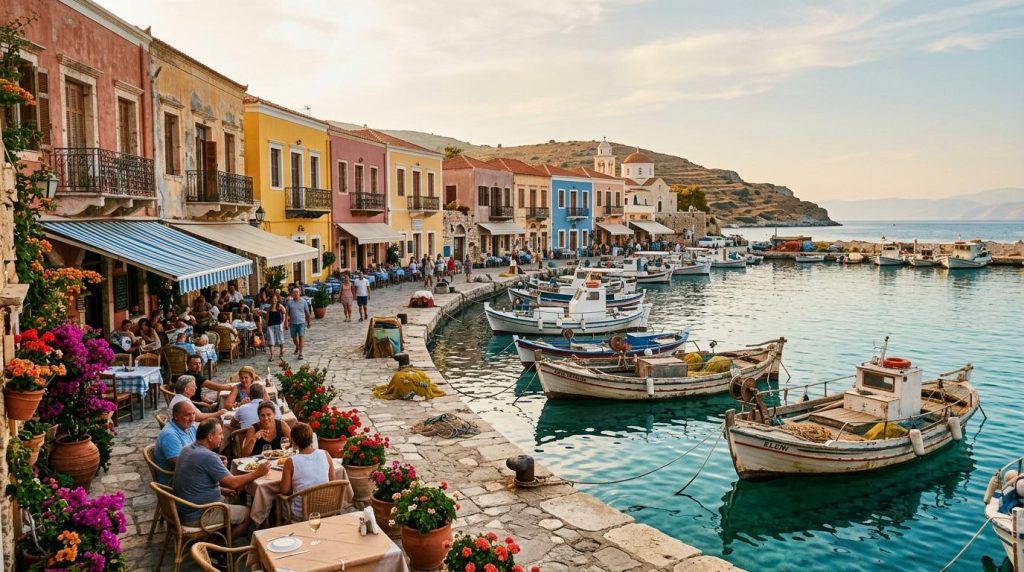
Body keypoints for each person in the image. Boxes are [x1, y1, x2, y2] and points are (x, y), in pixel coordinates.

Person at [173, 419, 269, 541]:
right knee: (248, 513)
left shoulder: (187, 449)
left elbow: (197, 481)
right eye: (220, 434)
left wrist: (222, 490)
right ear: (210, 437)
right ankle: (219, 548)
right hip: (200, 515)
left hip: (185, 510)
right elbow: (233, 483)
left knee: (235, 499)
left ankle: (220, 535)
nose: (223, 437)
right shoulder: (208, 457)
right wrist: (258, 473)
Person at [279, 422, 336, 520]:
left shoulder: (291, 462)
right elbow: (333, 481)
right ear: (311, 438)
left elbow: (285, 490)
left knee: (278, 500)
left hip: (303, 512)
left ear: (293, 441)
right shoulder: (325, 454)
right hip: (327, 508)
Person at [154, 400, 198, 481]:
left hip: (190, 473)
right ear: (176, 416)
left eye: (194, 414)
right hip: (175, 480)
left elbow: (202, 447)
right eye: (188, 415)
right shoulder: (169, 435)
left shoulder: (190, 426)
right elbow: (180, 465)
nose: (192, 418)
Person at [283, 287, 312, 360]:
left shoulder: (303, 302)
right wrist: (286, 323)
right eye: (294, 292)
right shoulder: (289, 302)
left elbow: (307, 312)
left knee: (301, 337)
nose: (295, 293)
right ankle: (297, 346)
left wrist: (309, 321)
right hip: (292, 323)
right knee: (294, 338)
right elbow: (286, 314)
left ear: (299, 293)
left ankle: (300, 353)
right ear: (292, 294)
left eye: (297, 292)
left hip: (301, 322)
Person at [265, 295, 285, 362]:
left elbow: (284, 312)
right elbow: (267, 317)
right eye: (273, 299)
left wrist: (283, 321)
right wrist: (267, 326)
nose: (274, 300)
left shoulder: (280, 306)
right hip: (270, 326)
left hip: (278, 325)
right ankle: (272, 356)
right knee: (271, 341)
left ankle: (281, 350)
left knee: (280, 339)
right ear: (271, 300)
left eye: (275, 299)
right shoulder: (269, 308)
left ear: (277, 299)